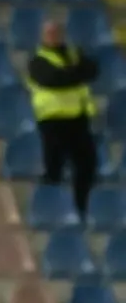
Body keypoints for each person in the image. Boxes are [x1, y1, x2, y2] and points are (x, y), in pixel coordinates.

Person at [30, 18, 100, 221]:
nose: (53, 37)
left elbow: (93, 70)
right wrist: (76, 73)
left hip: (78, 118)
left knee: (87, 165)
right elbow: (53, 80)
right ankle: (48, 210)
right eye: (49, 33)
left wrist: (71, 74)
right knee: (54, 168)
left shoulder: (73, 53)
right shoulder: (37, 60)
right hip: (52, 120)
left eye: (56, 32)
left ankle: (81, 208)